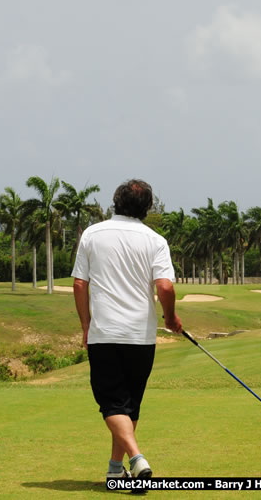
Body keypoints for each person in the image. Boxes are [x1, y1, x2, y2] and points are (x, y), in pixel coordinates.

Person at [72, 179, 182, 481]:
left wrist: (85, 325)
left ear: (115, 201)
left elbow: (80, 283)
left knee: (113, 404)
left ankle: (136, 458)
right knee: (127, 406)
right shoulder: (155, 240)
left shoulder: (93, 234)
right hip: (140, 336)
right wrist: (170, 317)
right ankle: (114, 470)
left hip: (104, 333)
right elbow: (165, 286)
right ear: (148, 207)